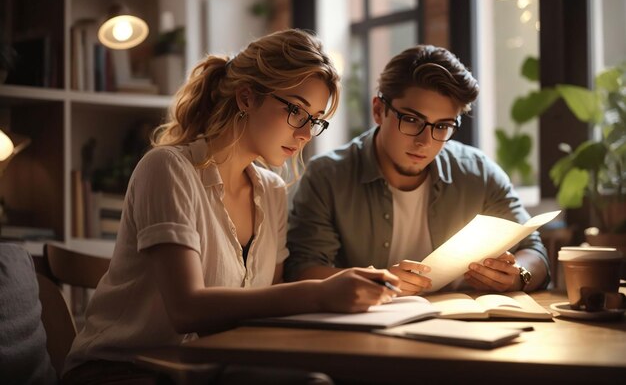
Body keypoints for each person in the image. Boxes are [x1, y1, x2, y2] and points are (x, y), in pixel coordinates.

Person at [62, 29, 400, 384]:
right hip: (122, 371)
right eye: (297, 111)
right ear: (246, 98)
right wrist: (318, 295)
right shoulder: (168, 168)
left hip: (209, 367)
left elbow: (271, 307)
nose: (304, 134)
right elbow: (186, 309)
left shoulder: (271, 190)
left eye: (314, 120)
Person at [285, 44, 550, 295]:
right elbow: (302, 269)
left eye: (442, 126)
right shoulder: (327, 176)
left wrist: (518, 276)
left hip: (461, 328)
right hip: (367, 333)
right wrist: (378, 280)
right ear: (379, 111)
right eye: (411, 120)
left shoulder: (478, 173)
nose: (425, 141)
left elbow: (534, 251)